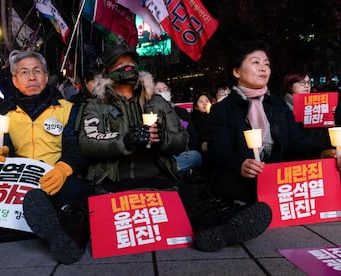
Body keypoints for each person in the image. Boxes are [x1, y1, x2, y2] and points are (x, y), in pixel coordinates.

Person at [78, 44, 272, 253]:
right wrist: (124, 141)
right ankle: (69, 236)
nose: (127, 68)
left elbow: (181, 138)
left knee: (193, 204)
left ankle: (222, 228)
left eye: (131, 63)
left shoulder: (157, 102)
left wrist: (163, 138)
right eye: (120, 64)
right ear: (107, 72)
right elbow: (88, 142)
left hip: (160, 178)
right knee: (88, 214)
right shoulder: (94, 106)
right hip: (112, 180)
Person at [0, 50, 87, 264]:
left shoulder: (68, 109)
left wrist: (63, 169)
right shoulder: (2, 113)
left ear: (45, 76)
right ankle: (59, 222)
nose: (31, 77)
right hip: (20, 180)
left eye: (36, 71)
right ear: (15, 80)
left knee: (74, 189)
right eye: (24, 72)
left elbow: (75, 145)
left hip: (56, 177)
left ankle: (57, 223)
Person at [207, 40, 336, 204]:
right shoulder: (223, 110)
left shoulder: (277, 105)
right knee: (232, 187)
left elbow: (296, 140)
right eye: (256, 62)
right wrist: (240, 165)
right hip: (242, 176)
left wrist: (321, 152)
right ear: (237, 71)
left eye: (266, 64)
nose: (263, 68)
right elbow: (219, 152)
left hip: (278, 173)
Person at [154, 80, 202, 173]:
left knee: (196, 157)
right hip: (162, 155)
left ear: (170, 91)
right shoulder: (151, 112)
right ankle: (173, 170)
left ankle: (170, 170)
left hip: (181, 154)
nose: (163, 92)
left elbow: (191, 135)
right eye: (159, 90)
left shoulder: (181, 112)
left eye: (165, 89)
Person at [282, 71, 332, 150]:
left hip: (319, 150)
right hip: (296, 153)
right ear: (290, 85)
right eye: (302, 83)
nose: (307, 86)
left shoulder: (317, 103)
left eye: (309, 83)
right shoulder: (281, 106)